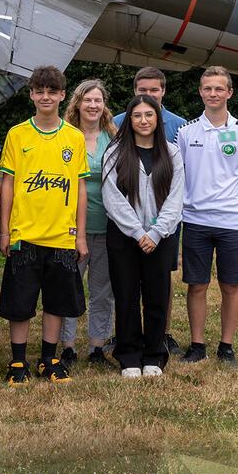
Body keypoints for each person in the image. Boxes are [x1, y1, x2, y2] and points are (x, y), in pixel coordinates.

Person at [0, 65, 88, 385]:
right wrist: (5, 229)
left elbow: (80, 189)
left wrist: (80, 234)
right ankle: (18, 361)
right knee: (20, 302)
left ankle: (49, 358)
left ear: (63, 95)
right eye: (40, 91)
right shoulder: (18, 134)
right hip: (25, 234)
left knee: (56, 301)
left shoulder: (74, 138)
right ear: (32, 94)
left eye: (52, 91)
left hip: (62, 236)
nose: (45, 97)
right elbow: (7, 184)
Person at [176, 67, 238, 369]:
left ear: (229, 93)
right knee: (197, 285)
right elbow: (180, 174)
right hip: (196, 221)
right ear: (200, 92)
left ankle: (226, 347)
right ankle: (197, 344)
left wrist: (235, 201)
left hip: (232, 223)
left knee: (231, 286)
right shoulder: (186, 133)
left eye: (218, 88)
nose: (212, 94)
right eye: (207, 88)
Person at [101, 95, 185, 379]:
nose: (143, 121)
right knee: (125, 295)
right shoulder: (115, 153)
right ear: (129, 120)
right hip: (125, 237)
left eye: (149, 115)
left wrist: (157, 232)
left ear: (157, 119)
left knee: (156, 296)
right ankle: (129, 356)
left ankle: (154, 356)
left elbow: (176, 198)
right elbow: (112, 198)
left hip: (161, 237)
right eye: (137, 116)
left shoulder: (171, 153)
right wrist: (138, 232)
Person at [59, 79, 117, 368]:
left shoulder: (114, 136)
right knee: (70, 287)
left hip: (107, 225)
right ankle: (67, 346)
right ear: (77, 103)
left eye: (98, 100)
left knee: (102, 290)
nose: (93, 105)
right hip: (71, 228)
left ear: (104, 105)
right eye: (87, 100)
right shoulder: (65, 135)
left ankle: (97, 346)